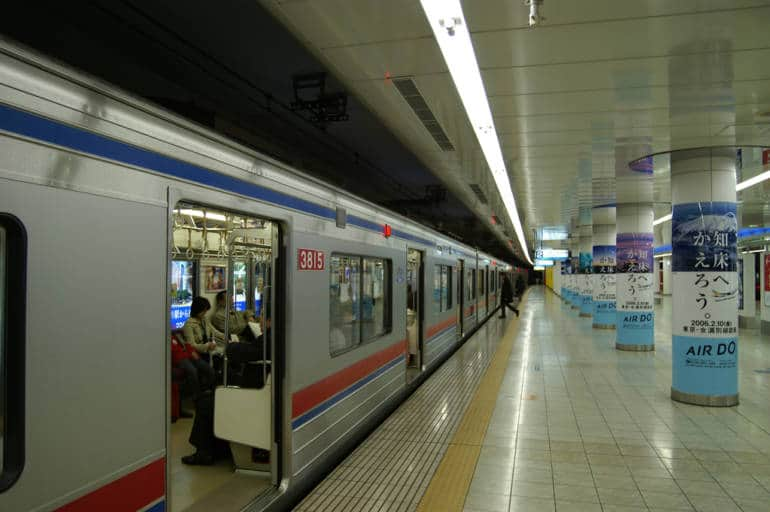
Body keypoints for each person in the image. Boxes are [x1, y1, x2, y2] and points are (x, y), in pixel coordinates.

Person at [180, 297, 217, 398]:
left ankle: (205, 392)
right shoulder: (189, 324)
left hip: (207, 351)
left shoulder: (204, 320)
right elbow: (191, 345)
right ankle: (198, 394)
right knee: (210, 372)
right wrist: (206, 346)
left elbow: (213, 332)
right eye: (203, 310)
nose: (205, 313)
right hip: (196, 354)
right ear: (197, 310)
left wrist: (218, 340)